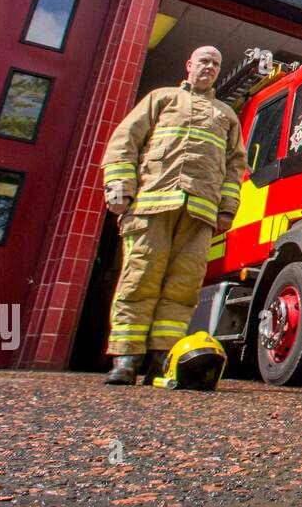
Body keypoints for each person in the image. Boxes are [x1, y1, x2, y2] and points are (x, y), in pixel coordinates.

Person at [101, 46, 244, 385]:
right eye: (204, 61)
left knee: (183, 286)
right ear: (189, 65)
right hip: (152, 205)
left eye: (215, 63)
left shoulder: (225, 115)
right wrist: (119, 186)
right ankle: (126, 358)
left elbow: (235, 165)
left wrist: (227, 209)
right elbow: (125, 141)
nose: (209, 67)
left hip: (199, 212)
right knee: (140, 277)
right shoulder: (161, 99)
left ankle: (162, 358)